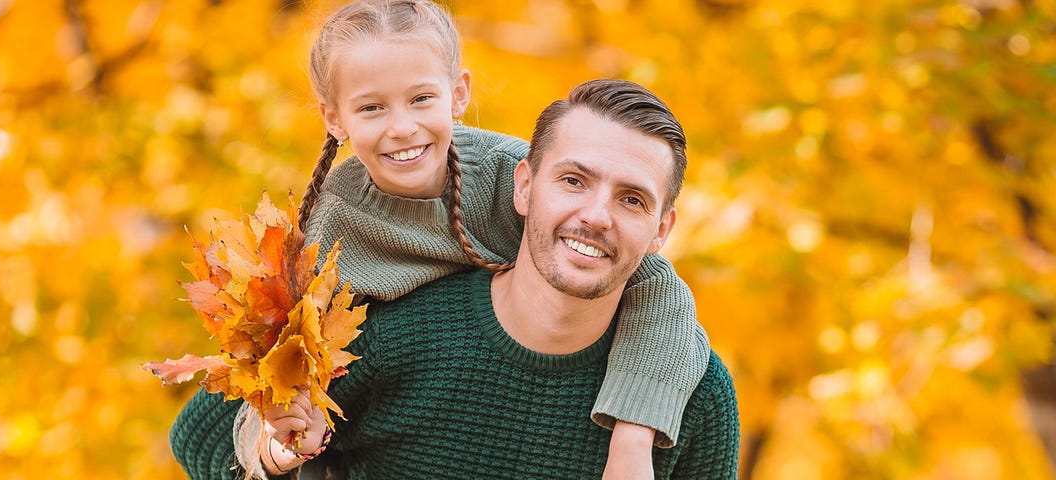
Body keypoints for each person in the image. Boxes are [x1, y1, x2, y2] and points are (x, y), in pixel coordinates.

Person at [167, 1, 711, 478]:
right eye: (372, 108)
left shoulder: (512, 179)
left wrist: (634, 434)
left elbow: (652, 279)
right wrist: (279, 444)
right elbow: (225, 416)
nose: (402, 127)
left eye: (421, 99)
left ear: (458, 95)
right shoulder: (332, 238)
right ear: (334, 119)